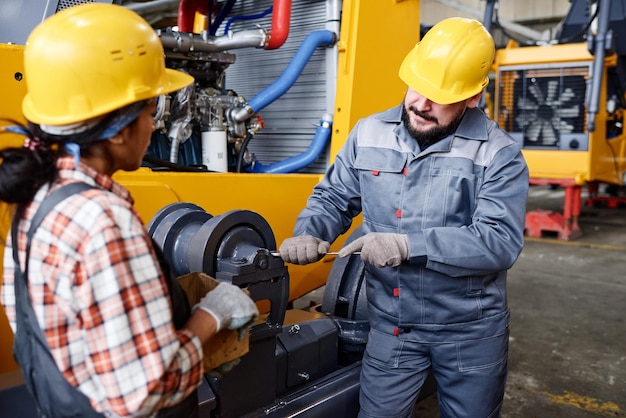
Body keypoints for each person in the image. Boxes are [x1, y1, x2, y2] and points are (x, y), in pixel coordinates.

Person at [0, 4, 258, 417]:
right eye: (149, 110)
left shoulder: (35, 195)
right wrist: (213, 316)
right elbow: (147, 390)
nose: (155, 125)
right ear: (118, 131)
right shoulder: (103, 221)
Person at [279, 17, 529, 418]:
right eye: (417, 87)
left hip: (469, 333)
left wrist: (406, 245)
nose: (420, 104)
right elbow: (333, 196)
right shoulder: (368, 133)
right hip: (392, 328)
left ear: (473, 97)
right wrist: (308, 231)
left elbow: (498, 241)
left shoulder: (498, 155)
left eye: (438, 96)